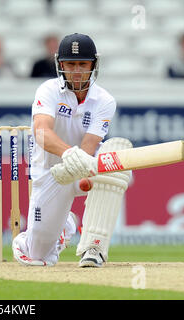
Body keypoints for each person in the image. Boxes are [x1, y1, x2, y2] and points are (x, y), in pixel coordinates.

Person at [12, 33, 132, 268]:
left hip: (84, 165)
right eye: (71, 64)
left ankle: (94, 247)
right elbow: (42, 132)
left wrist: (84, 168)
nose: (77, 70)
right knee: (37, 256)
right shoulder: (47, 91)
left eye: (82, 64)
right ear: (61, 65)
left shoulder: (105, 100)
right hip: (49, 172)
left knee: (116, 167)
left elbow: (89, 145)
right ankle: (63, 226)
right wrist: (68, 153)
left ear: (93, 65)